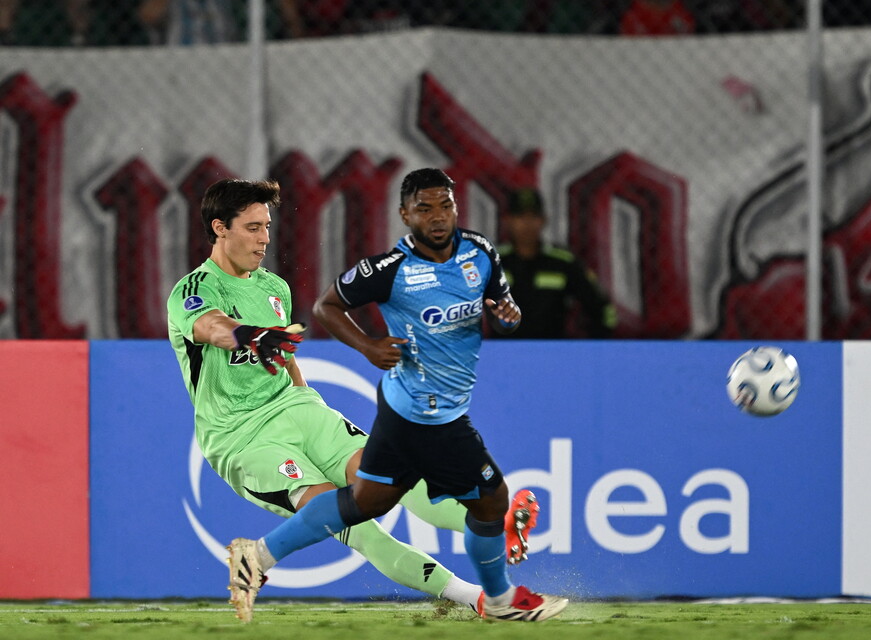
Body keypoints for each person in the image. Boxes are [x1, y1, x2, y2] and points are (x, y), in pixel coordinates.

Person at [166, 178, 539, 623]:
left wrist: (304, 398)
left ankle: (493, 523)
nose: (265, 238)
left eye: (267, 226)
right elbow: (211, 326)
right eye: (252, 228)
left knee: (390, 481)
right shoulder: (193, 289)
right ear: (219, 228)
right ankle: (474, 598)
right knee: (355, 526)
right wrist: (246, 334)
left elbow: (282, 357)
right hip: (241, 438)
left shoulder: (275, 289)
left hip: (299, 411)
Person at [307, 168, 569, 622]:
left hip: (422, 410)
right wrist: (369, 345)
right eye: (424, 207)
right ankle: (496, 586)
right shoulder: (391, 269)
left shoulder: (480, 252)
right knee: (455, 499)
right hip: (409, 410)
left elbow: (504, 313)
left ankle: (264, 554)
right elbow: (324, 307)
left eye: (445, 205)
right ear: (405, 214)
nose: (437, 215)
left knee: (376, 513)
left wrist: (507, 316)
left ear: (455, 207)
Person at [496, 188, 616, 339]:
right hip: (502, 353)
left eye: (533, 217)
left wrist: (597, 347)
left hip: (553, 351)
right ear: (507, 221)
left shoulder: (563, 263)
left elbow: (602, 309)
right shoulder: (492, 262)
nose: (527, 224)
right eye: (520, 217)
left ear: (544, 220)